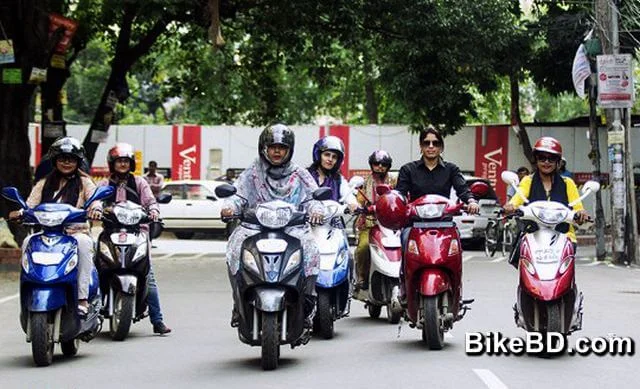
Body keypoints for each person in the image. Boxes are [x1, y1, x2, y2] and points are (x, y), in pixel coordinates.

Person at [220, 124, 324, 328]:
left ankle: (308, 299)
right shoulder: (253, 172)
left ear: (289, 150)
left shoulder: (300, 174)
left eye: (282, 147)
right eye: (272, 146)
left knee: (312, 249)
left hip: (292, 229)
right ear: (263, 148)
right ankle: (238, 301)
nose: (277, 151)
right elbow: (239, 195)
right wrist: (229, 206)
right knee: (233, 248)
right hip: (255, 228)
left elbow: (313, 197)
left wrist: (316, 209)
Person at [8, 137, 102, 316]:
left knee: (84, 244)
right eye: (62, 158)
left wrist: (95, 209)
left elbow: (95, 200)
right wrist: (21, 213)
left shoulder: (85, 183)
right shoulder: (44, 183)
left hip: (75, 233)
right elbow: (30, 205)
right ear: (55, 161)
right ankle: (29, 292)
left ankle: (82, 299)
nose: (66, 162)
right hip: (47, 233)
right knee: (28, 240)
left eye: (71, 159)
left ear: (78, 162)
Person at [98, 143, 172, 335]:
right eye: (119, 161)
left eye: (125, 161)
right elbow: (95, 201)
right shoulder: (104, 184)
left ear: (131, 164)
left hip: (137, 233)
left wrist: (154, 212)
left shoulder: (139, 182)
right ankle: (91, 314)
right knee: (96, 268)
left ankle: (157, 320)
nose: (122, 164)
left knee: (149, 275)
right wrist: (95, 209)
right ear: (112, 164)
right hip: (110, 233)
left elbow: (151, 202)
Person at [504, 137, 588, 267]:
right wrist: (510, 207)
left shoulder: (568, 183)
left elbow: (577, 207)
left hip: (564, 236)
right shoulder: (528, 181)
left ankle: (569, 287)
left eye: (551, 158)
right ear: (536, 160)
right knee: (526, 267)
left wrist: (581, 214)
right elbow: (517, 199)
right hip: (533, 236)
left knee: (566, 270)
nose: (546, 162)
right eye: (542, 158)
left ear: (558, 161)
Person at [396, 126, 480, 213]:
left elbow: (462, 189)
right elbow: (400, 195)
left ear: (441, 147)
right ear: (421, 146)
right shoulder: (407, 169)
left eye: (435, 143)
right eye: (426, 143)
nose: (431, 146)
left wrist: (471, 201)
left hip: (445, 220)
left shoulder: (452, 169)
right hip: (415, 220)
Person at [354, 150, 396, 290]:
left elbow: (401, 196)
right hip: (370, 223)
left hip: (391, 225)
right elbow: (359, 201)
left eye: (383, 164)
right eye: (376, 163)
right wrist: (359, 207)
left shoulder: (394, 180)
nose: (380, 166)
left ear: (388, 166)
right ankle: (362, 277)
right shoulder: (365, 182)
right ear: (371, 165)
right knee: (363, 248)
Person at [307, 135, 358, 207]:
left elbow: (347, 194)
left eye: (334, 157)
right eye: (327, 155)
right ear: (318, 155)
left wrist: (353, 204)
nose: (330, 159)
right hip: (306, 217)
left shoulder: (338, 179)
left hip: (332, 217)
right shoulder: (305, 175)